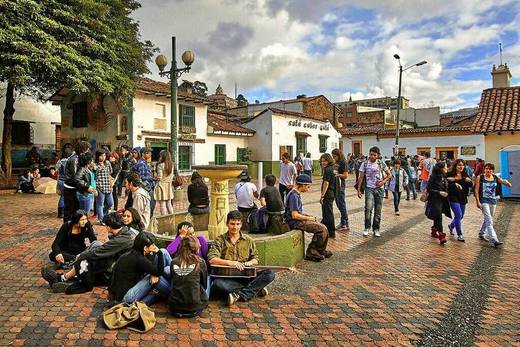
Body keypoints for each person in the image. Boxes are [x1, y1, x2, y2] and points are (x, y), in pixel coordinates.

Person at [41, 212, 136, 294]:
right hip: (116, 261)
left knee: (88, 259)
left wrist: (82, 255)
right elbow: (97, 244)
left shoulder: (122, 239)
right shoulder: (125, 232)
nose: (84, 221)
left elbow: (101, 250)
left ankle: (64, 278)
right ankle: (67, 276)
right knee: (95, 245)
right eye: (82, 219)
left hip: (118, 269)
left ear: (108, 226)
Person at [208, 211, 275, 306]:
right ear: (227, 224)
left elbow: (255, 258)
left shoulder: (249, 240)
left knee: (270, 274)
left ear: (241, 224)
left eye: (237, 224)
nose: (235, 227)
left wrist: (250, 263)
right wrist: (232, 263)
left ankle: (240, 295)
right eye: (232, 224)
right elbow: (212, 259)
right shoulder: (220, 240)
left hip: (246, 276)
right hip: (228, 278)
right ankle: (256, 289)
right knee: (217, 284)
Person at [108, 232, 166, 304]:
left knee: (154, 275)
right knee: (153, 277)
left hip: (118, 294)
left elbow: (150, 263)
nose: (155, 247)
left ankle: (157, 295)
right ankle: (168, 291)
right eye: (153, 245)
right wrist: (160, 253)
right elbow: (159, 272)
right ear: (145, 248)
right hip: (127, 297)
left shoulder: (131, 252)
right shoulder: (139, 259)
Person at [285, 174, 332, 262]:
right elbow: (294, 215)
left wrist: (307, 216)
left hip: (297, 220)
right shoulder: (293, 196)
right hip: (295, 222)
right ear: (302, 185)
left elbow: (298, 212)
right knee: (321, 229)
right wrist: (309, 219)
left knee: (324, 227)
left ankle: (320, 250)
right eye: (307, 186)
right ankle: (312, 252)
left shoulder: (295, 194)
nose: (308, 189)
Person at [168, 235, 208, 317]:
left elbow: (173, 280)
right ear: (196, 247)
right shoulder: (201, 262)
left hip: (175, 308)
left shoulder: (174, 261)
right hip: (195, 307)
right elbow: (204, 284)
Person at [474, 163, 512, 247]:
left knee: (488, 218)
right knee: (489, 221)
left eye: (490, 169)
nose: (488, 170)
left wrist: (507, 183)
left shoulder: (495, 177)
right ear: (484, 169)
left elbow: (502, 181)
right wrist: (477, 201)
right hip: (484, 201)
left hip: (493, 201)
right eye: (487, 168)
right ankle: (494, 239)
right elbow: (476, 190)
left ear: (493, 170)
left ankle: (481, 232)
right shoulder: (480, 177)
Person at [357, 146, 391, 237]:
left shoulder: (381, 163)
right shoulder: (365, 164)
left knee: (378, 209)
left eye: (374, 155)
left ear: (378, 155)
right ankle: (367, 227)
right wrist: (359, 189)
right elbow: (361, 177)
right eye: (371, 154)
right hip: (369, 188)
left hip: (380, 189)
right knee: (368, 208)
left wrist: (383, 181)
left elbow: (389, 175)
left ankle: (376, 228)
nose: (372, 156)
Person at [63, 141, 91, 221]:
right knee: (69, 210)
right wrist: (86, 186)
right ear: (82, 149)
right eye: (87, 149)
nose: (88, 151)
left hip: (75, 187)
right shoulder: (74, 159)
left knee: (76, 209)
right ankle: (67, 229)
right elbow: (76, 177)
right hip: (70, 188)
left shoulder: (78, 157)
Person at [446, 159, 473, 242]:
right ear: (455, 166)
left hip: (462, 197)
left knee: (460, 216)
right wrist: (453, 182)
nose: (461, 167)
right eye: (459, 165)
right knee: (458, 215)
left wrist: (470, 181)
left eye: (462, 165)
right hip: (453, 197)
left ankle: (451, 226)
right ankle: (460, 234)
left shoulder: (465, 175)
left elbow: (471, 185)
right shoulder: (450, 174)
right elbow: (445, 183)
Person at [425, 162, 452, 245]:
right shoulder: (433, 177)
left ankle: (434, 229)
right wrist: (439, 192)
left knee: (438, 215)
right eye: (445, 167)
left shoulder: (444, 177)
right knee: (439, 216)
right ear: (441, 168)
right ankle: (441, 235)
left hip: (443, 200)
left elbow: (447, 185)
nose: (447, 168)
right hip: (434, 200)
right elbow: (429, 189)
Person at [332, 148, 349, 232]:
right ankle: (344, 222)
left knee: (341, 204)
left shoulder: (343, 162)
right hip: (336, 185)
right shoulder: (336, 162)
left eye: (334, 156)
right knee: (338, 203)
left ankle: (344, 223)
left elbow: (345, 175)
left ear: (338, 155)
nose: (333, 158)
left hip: (340, 186)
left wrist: (337, 175)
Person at [94, 149, 113, 224]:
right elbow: (95, 173)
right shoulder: (95, 164)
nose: (103, 157)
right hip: (100, 186)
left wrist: (111, 184)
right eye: (101, 156)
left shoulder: (107, 163)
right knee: (100, 204)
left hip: (108, 186)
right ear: (98, 156)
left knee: (110, 203)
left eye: (104, 155)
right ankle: (101, 219)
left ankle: (103, 215)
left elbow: (110, 173)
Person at [319, 153, 337, 238]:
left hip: (328, 193)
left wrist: (322, 195)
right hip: (333, 192)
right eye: (322, 161)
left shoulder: (327, 170)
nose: (323, 163)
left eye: (325, 161)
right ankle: (325, 229)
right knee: (328, 212)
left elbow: (326, 183)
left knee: (328, 213)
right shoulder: (334, 168)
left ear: (328, 160)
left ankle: (331, 231)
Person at [134, 147, 155, 213]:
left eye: (150, 153)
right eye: (148, 153)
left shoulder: (144, 162)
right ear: (143, 154)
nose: (150, 155)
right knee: (150, 206)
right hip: (145, 187)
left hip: (148, 186)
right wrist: (153, 178)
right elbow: (141, 177)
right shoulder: (141, 163)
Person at [154, 150, 174, 215]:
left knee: (162, 204)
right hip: (168, 186)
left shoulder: (160, 165)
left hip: (161, 186)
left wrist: (154, 177)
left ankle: (164, 219)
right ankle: (172, 217)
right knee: (169, 203)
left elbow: (159, 177)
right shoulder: (172, 165)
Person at [56, 147, 73, 217]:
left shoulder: (59, 161)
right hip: (65, 181)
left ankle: (61, 212)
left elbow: (57, 171)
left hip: (60, 180)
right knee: (63, 197)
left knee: (62, 196)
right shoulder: (68, 161)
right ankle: (61, 213)